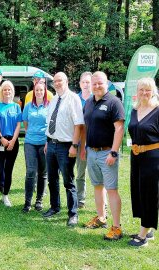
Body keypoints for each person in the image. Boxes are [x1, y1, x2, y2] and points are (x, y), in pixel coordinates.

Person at [81, 71, 124, 240]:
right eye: (94, 83)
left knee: (112, 189)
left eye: (100, 83)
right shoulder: (89, 102)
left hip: (107, 153)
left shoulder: (114, 102)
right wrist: (84, 147)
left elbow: (119, 129)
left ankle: (117, 227)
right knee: (98, 186)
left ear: (107, 84)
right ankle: (101, 218)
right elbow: (86, 126)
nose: (97, 86)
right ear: (90, 85)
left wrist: (113, 152)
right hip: (91, 152)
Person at [43, 72, 84, 227]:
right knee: (52, 179)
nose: (57, 83)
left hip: (66, 146)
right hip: (51, 144)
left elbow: (78, 124)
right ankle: (55, 207)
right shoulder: (53, 100)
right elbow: (50, 124)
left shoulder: (73, 98)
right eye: (55, 81)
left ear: (66, 81)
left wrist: (74, 145)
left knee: (68, 180)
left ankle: (73, 214)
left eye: (60, 80)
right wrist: (48, 141)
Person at [128, 77, 159, 247]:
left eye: (148, 89)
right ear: (137, 92)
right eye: (141, 89)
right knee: (139, 192)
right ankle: (147, 228)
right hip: (136, 156)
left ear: (153, 91)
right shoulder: (135, 109)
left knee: (149, 193)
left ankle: (143, 235)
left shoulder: (157, 110)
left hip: (153, 157)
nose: (144, 93)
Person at [0, 80, 21, 210]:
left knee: (8, 171)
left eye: (9, 89)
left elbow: (18, 125)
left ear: (12, 91)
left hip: (13, 142)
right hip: (0, 141)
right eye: (4, 89)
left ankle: (5, 196)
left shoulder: (17, 107)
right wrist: (1, 138)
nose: (7, 91)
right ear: (1, 91)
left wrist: (13, 140)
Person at [22, 81, 49, 213]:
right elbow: (25, 124)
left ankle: (39, 201)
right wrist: (31, 134)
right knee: (31, 172)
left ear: (45, 92)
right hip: (30, 143)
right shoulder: (28, 106)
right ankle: (27, 202)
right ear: (34, 92)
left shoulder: (49, 106)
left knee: (43, 174)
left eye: (41, 90)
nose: (39, 92)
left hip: (44, 143)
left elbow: (50, 125)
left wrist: (47, 141)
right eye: (37, 90)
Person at [75, 72, 93, 208]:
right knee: (79, 172)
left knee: (96, 174)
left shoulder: (96, 99)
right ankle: (79, 200)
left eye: (88, 82)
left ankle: (102, 205)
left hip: (93, 142)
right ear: (80, 83)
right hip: (75, 140)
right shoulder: (74, 99)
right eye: (84, 82)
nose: (86, 84)